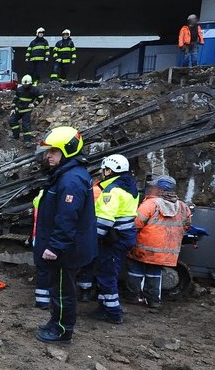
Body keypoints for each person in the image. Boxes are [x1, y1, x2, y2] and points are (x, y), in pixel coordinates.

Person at [33, 126, 96, 344]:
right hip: (65, 247)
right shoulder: (66, 175)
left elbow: (67, 217)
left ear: (67, 151)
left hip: (66, 251)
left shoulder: (71, 180)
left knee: (63, 291)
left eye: (54, 152)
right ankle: (55, 321)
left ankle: (62, 330)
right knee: (57, 288)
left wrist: (56, 246)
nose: (48, 156)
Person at [126, 175, 192, 312]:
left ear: (159, 189)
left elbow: (136, 224)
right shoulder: (183, 207)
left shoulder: (151, 204)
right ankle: (154, 301)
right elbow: (187, 226)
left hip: (144, 248)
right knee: (154, 274)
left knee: (135, 271)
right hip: (166, 252)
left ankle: (132, 297)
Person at [89, 154, 139, 324]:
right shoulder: (130, 188)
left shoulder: (111, 191)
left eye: (104, 170)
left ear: (109, 170)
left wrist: (93, 239)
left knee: (106, 274)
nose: (102, 173)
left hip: (113, 239)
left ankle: (113, 312)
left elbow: (104, 220)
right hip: (124, 237)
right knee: (109, 271)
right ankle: (103, 307)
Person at [7, 75, 44, 148]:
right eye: (24, 84)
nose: (25, 85)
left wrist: (34, 104)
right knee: (11, 120)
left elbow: (40, 97)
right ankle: (16, 135)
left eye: (26, 84)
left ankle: (27, 141)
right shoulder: (19, 89)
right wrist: (13, 108)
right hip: (18, 109)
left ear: (30, 83)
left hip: (26, 111)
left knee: (26, 126)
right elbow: (15, 99)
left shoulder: (34, 90)